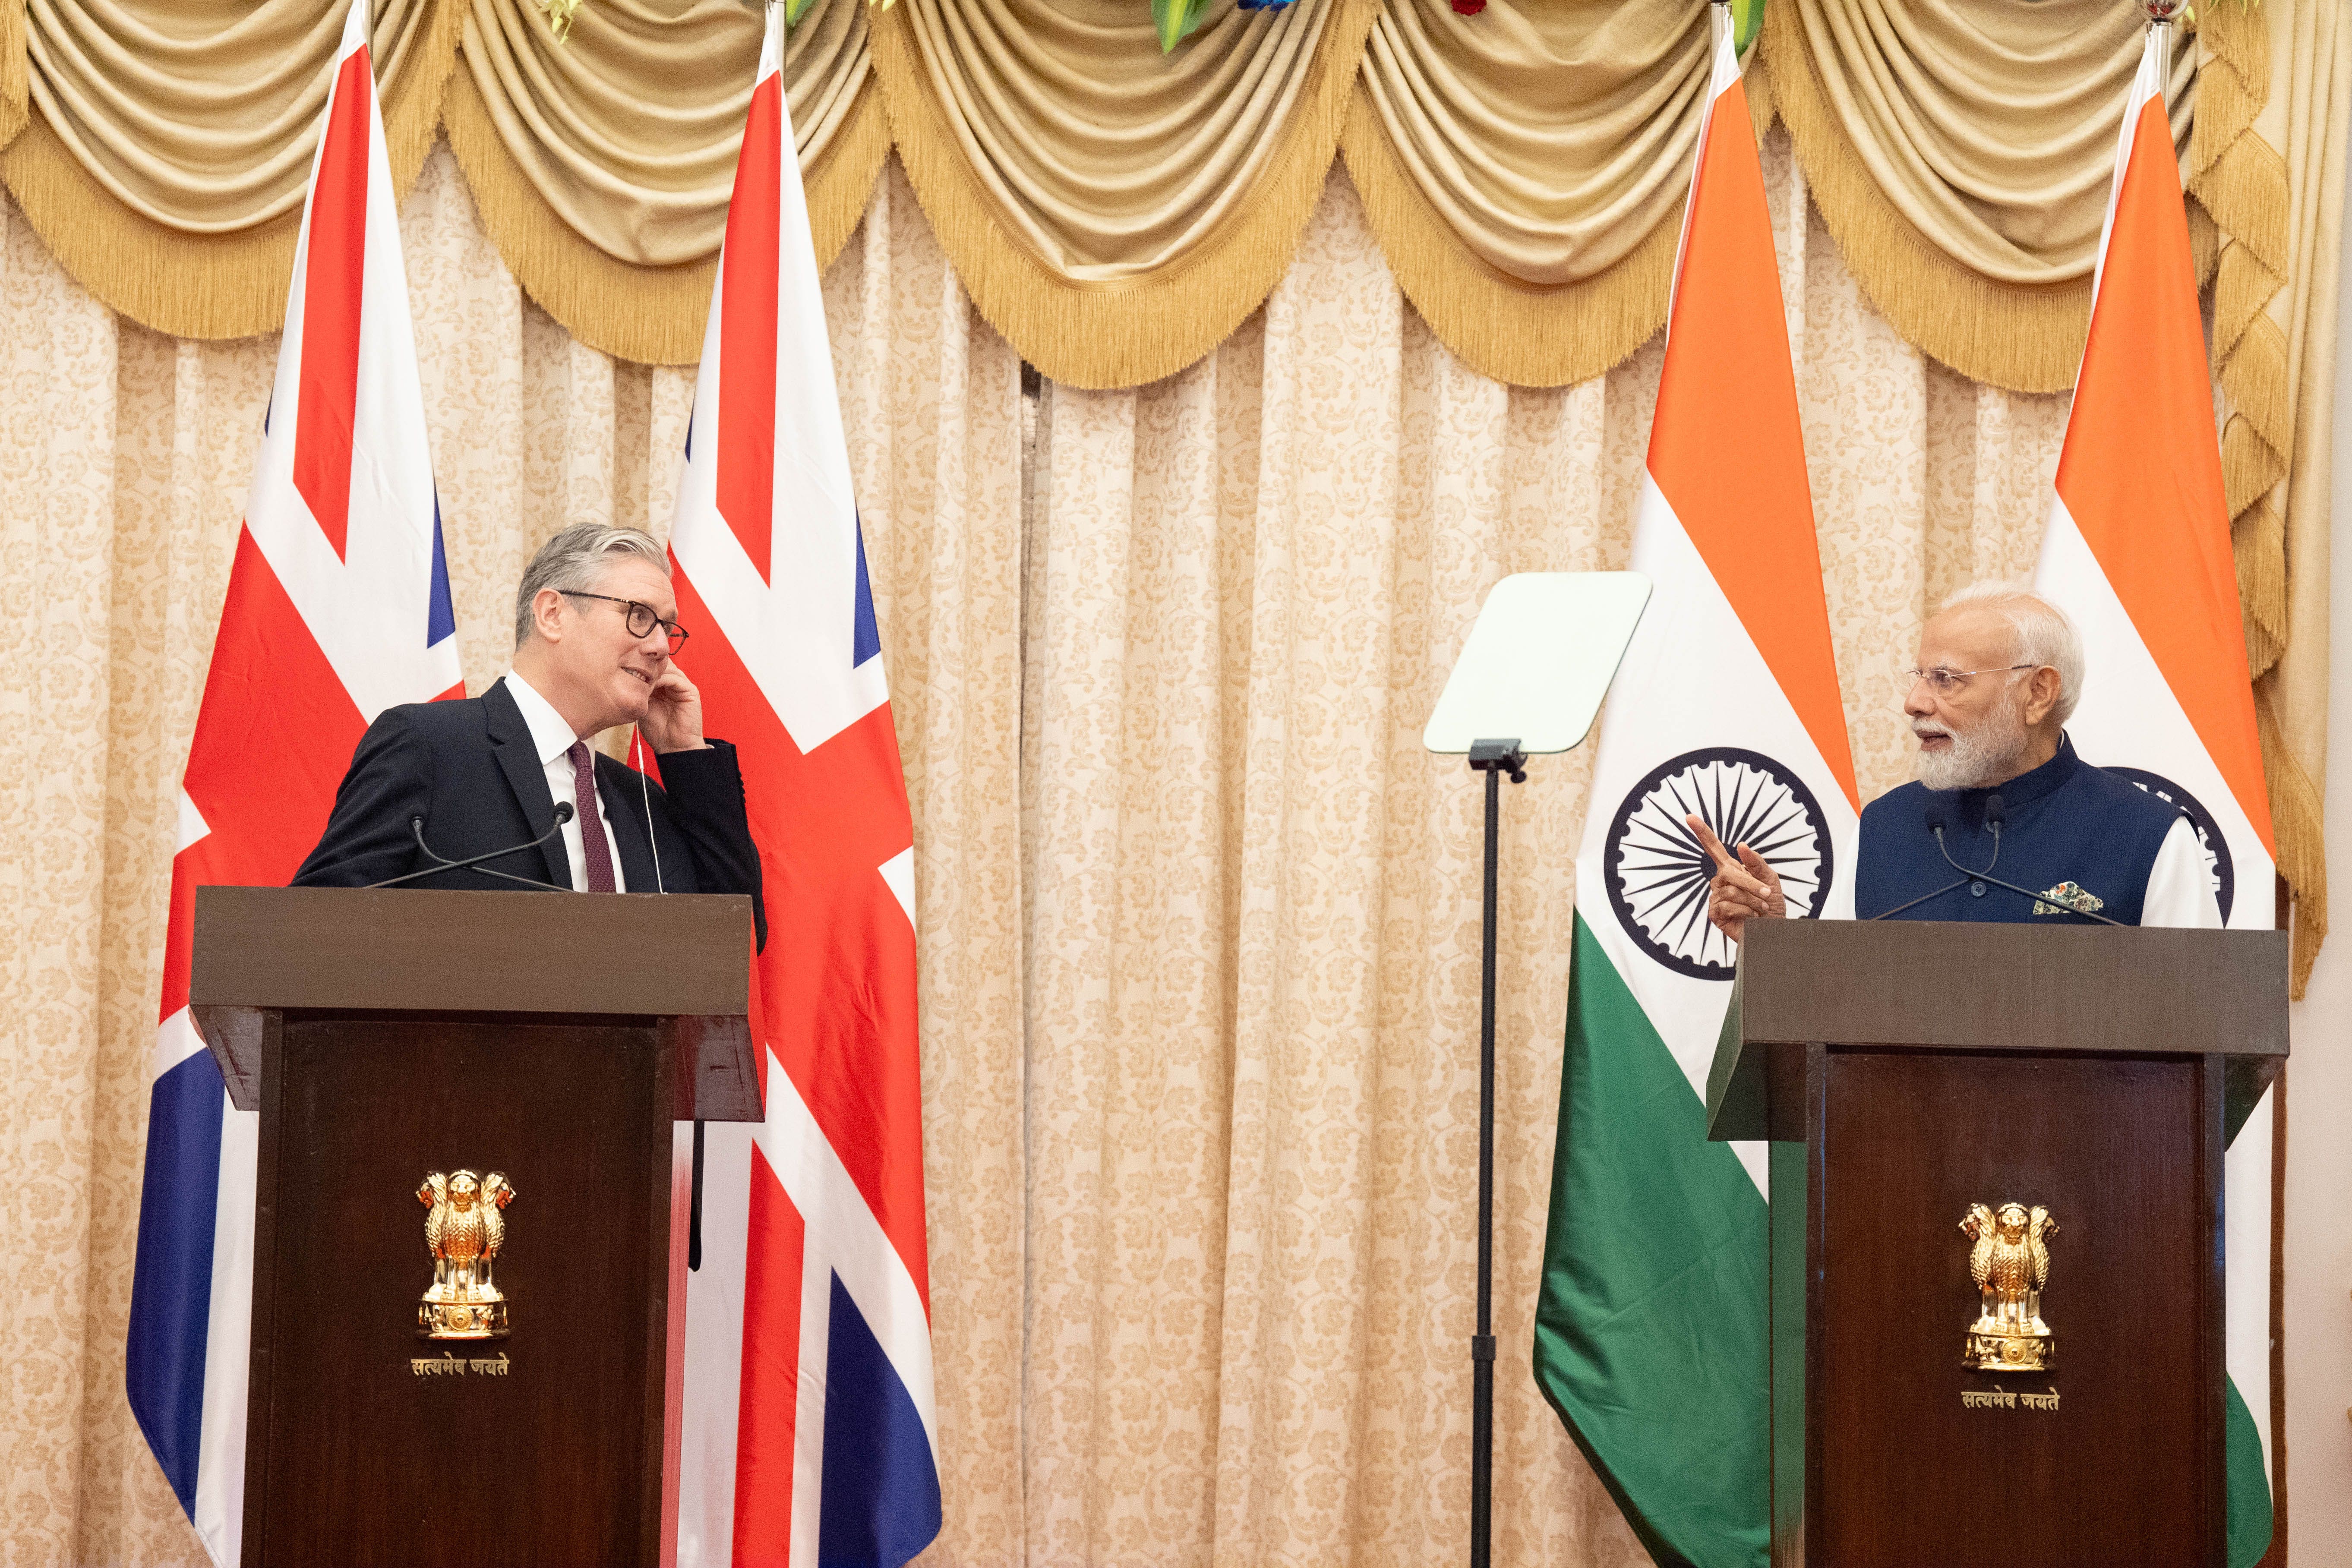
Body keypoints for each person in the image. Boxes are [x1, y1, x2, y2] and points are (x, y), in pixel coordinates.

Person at [294, 523, 766, 948]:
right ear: (553, 614)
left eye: (667, 628)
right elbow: (316, 929)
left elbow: (738, 939)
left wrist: (686, 758)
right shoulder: (428, 746)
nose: (661, 646)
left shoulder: (639, 798)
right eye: (640, 616)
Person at [1694, 582, 2219, 940]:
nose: (1915, 703)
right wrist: (1777, 945)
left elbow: (2201, 1035)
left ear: (2037, 693)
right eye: (1919, 677)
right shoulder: (1884, 827)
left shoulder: (2148, 836)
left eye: (1946, 679)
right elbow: (1833, 1016)